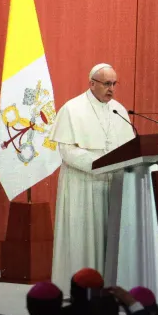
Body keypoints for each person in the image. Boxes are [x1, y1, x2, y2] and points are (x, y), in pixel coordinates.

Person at [49, 64, 135, 291]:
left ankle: (110, 286)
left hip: (113, 184)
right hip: (83, 184)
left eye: (114, 84)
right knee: (84, 237)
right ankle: (81, 286)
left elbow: (129, 147)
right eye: (107, 84)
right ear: (92, 83)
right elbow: (67, 152)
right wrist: (101, 164)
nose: (112, 89)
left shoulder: (119, 110)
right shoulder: (72, 109)